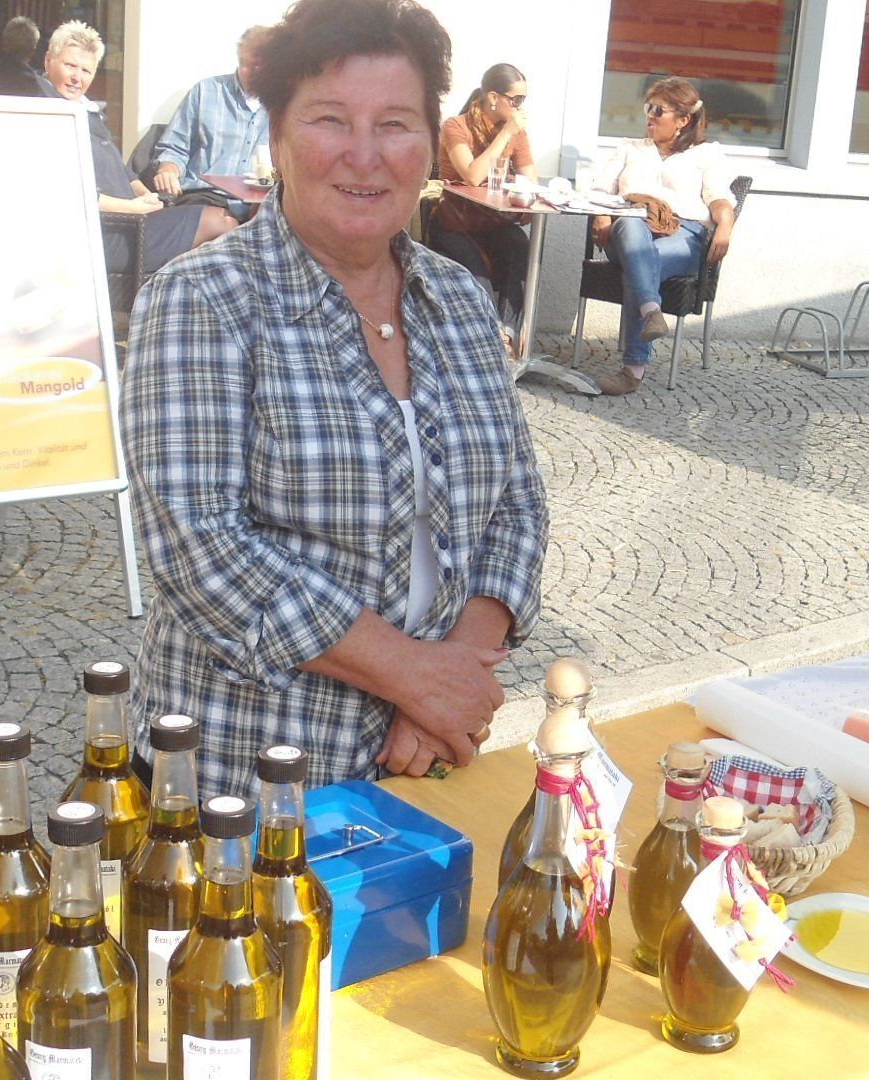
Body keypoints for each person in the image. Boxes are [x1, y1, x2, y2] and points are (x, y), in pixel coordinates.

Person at [120, 0, 548, 791]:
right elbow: (201, 546)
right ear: (278, 137)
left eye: (395, 124)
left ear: (428, 141)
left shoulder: (457, 297)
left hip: (424, 759)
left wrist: (452, 675)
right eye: (330, 120)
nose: (365, 154)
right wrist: (412, 675)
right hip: (243, 781)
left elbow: (518, 505)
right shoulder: (202, 298)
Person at [584, 75, 737, 396]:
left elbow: (720, 199)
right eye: (648, 108)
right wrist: (601, 214)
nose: (649, 117)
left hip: (684, 234)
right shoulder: (630, 149)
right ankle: (650, 315)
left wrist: (725, 226)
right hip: (629, 229)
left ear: (683, 120)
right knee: (632, 231)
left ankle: (633, 367)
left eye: (658, 111)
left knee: (641, 261)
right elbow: (598, 190)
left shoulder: (706, 154)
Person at [39, 20, 230, 273]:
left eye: (86, 70)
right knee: (222, 224)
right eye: (70, 66)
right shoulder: (48, 114)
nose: (77, 77)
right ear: (48, 62)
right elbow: (67, 193)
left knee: (224, 221)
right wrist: (132, 208)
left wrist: (144, 194)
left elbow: (122, 170)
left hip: (130, 221)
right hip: (103, 235)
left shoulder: (84, 110)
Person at [430, 61, 534, 325]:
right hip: (455, 222)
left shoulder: (517, 134)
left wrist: (521, 189)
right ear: (494, 98)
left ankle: (507, 332)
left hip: (494, 220)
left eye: (523, 100)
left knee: (520, 247)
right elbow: (472, 175)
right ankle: (489, 332)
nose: (520, 107)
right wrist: (506, 134)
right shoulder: (456, 126)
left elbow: (530, 180)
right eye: (516, 100)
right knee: (477, 270)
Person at [147, 22, 268, 230]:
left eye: (257, 66)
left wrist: (272, 181)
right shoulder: (206, 92)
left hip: (261, 204)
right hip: (204, 196)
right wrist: (168, 170)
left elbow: (290, 167)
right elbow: (175, 147)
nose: (247, 72)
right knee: (224, 225)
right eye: (243, 63)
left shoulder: (286, 106)